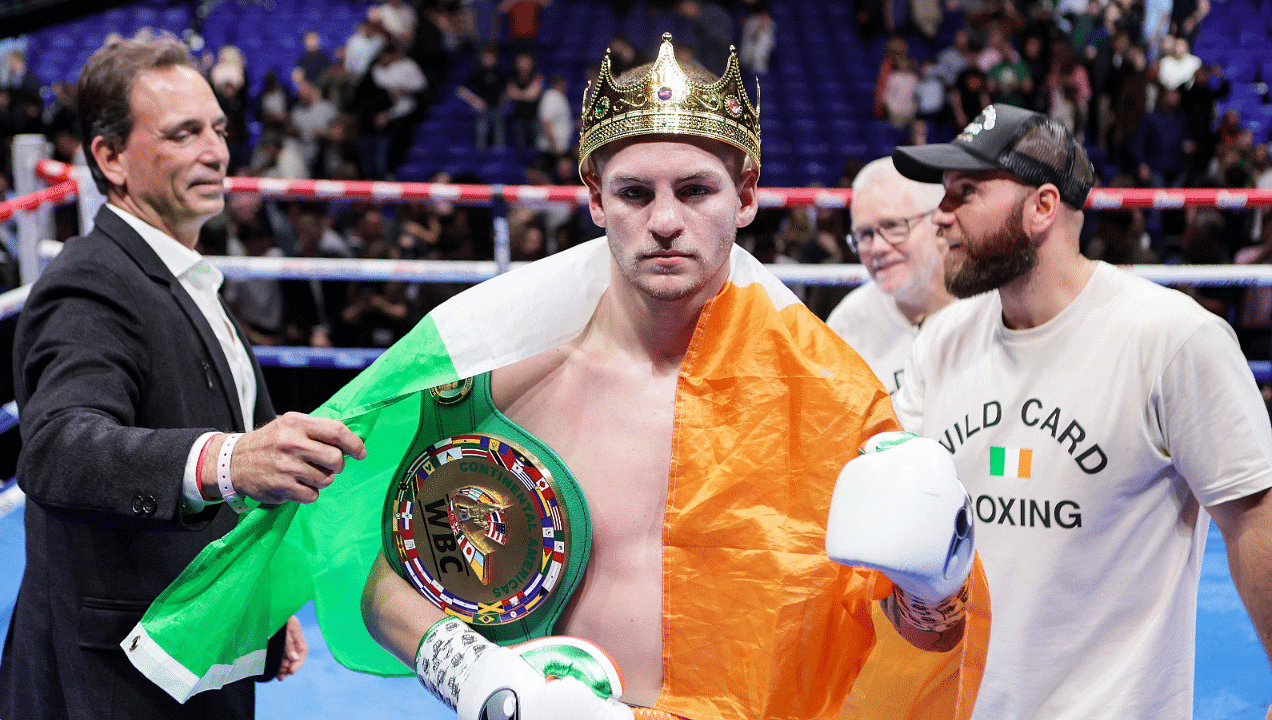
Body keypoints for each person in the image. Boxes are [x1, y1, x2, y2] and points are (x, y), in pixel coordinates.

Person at [359, 33, 987, 720]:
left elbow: (899, 636)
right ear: (596, 199)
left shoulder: (823, 398)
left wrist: (935, 593)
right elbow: (394, 582)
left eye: (694, 191)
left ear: (745, 196)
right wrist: (483, 680)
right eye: (635, 192)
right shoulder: (511, 380)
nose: (664, 221)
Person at [0, 34, 366, 720]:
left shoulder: (180, 276)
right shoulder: (91, 283)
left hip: (186, 656)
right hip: (114, 685)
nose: (216, 151)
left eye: (219, 129)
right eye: (184, 133)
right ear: (109, 158)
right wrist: (229, 458)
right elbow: (57, 448)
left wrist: (255, 597)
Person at [890, 103, 1272, 720]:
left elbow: (1256, 517)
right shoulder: (944, 338)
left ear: (1042, 207)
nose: (940, 215)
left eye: (966, 192)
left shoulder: (1172, 338)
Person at [825, 157, 955, 394]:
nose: (877, 248)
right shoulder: (847, 325)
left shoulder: (994, 306)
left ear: (940, 221)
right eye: (864, 234)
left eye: (894, 226)